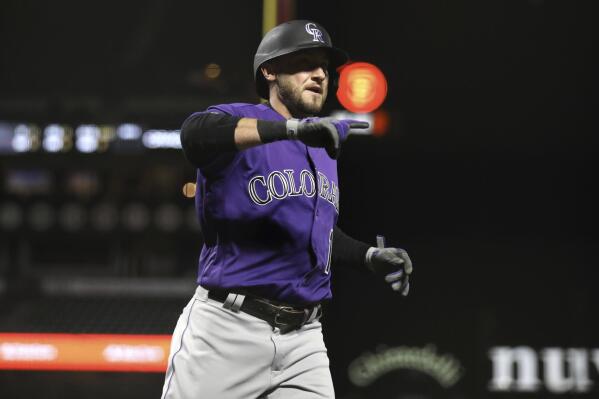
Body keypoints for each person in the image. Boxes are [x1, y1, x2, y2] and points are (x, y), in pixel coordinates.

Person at [161, 19, 413, 399]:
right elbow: (194, 133)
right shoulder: (243, 121)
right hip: (228, 330)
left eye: (325, 68)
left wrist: (367, 255)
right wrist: (292, 129)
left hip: (305, 338)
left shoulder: (322, 147)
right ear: (270, 70)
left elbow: (314, 231)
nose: (319, 74)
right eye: (305, 63)